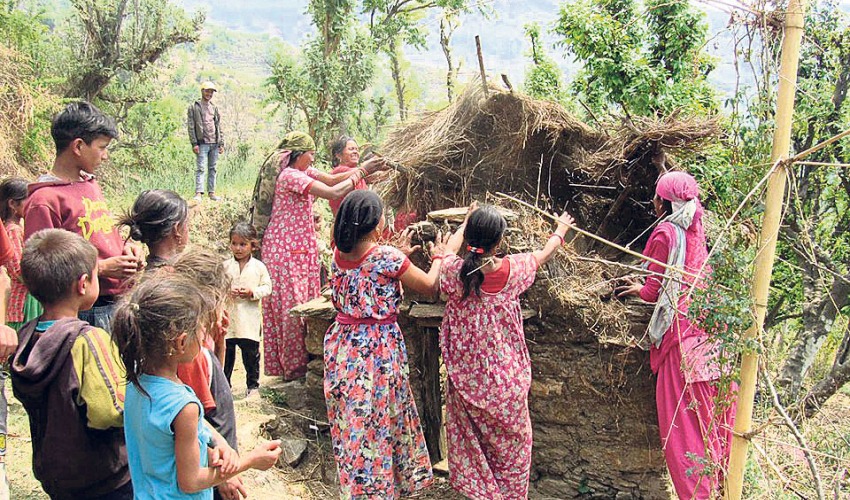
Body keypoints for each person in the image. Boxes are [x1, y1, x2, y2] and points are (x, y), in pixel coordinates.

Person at [324, 190, 458, 498]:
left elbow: (367, 274)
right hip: (376, 350)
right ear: (374, 224)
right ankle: (379, 490)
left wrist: (398, 254)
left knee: (355, 421)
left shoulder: (338, 254)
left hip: (343, 347)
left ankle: (361, 486)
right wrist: (441, 255)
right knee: (380, 417)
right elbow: (430, 286)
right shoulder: (386, 257)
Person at [437, 204, 573, 499]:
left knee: (475, 446)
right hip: (507, 385)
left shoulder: (453, 273)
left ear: (470, 236)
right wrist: (560, 230)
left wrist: (465, 223)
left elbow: (449, 249)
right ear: (499, 242)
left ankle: (484, 493)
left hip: (468, 384)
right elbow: (545, 253)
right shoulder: (514, 270)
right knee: (513, 452)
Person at [616, 171, 735, 499]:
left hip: (683, 340)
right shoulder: (697, 227)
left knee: (683, 433)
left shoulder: (666, 232)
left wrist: (638, 288)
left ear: (664, 203)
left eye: (657, 196)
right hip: (714, 336)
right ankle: (724, 489)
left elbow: (653, 290)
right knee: (714, 423)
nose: (654, 201)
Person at [112, 273, 282, 500]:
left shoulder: (137, 382)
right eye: (200, 327)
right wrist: (250, 461)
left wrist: (215, 445)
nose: (204, 334)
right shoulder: (184, 406)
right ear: (181, 342)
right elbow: (191, 481)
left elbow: (165, 446)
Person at [252, 131, 387, 380]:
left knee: (303, 302)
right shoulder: (290, 176)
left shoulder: (303, 172)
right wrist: (362, 171)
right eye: (310, 154)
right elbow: (334, 193)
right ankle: (293, 370)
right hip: (285, 251)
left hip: (299, 249)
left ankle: (302, 365)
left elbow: (333, 179)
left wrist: (367, 168)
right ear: (297, 155)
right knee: (291, 309)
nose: (313, 159)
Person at [11, 229, 131, 499]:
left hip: (57, 476)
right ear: (83, 284)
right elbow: (109, 413)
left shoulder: (26, 338)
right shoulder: (88, 340)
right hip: (105, 477)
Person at [24, 101, 144, 331]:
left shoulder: (90, 185)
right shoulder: (44, 200)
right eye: (102, 147)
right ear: (78, 146)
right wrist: (102, 268)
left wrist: (126, 249)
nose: (105, 156)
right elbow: (40, 271)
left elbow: (100, 234)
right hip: (86, 311)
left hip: (117, 301)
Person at [223, 222, 271, 398]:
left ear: (253, 245)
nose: (238, 248)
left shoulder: (258, 267)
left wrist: (252, 292)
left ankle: (252, 386)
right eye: (234, 243)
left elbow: (267, 287)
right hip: (228, 317)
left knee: (251, 355)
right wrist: (226, 291)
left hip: (249, 319)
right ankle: (224, 386)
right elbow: (216, 286)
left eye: (243, 244)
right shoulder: (225, 266)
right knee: (226, 355)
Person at [0, 178, 42, 331]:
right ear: (12, 204)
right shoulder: (13, 231)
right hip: (22, 300)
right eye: (27, 200)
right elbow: (18, 269)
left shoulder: (15, 228)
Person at [118, 189, 190, 270]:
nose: (188, 230)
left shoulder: (146, 271)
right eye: (187, 224)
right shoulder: (177, 275)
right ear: (176, 229)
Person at [188, 81, 225, 201]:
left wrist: (221, 143)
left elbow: (218, 126)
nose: (209, 94)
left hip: (214, 143)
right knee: (201, 168)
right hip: (202, 143)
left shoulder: (214, 107)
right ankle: (199, 193)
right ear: (202, 91)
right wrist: (194, 143)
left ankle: (212, 193)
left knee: (213, 168)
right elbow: (191, 126)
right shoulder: (194, 107)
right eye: (207, 91)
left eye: (211, 92)